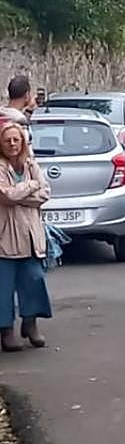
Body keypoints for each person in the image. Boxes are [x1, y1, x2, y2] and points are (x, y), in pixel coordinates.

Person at [0, 122, 50, 351]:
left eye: (16, 140)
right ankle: (6, 330)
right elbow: (6, 195)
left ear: (22, 143)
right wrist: (31, 186)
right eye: (7, 140)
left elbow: (45, 193)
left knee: (34, 278)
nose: (12, 144)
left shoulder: (31, 164)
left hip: (30, 233)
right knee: (4, 285)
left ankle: (30, 323)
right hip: (5, 234)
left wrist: (21, 193)